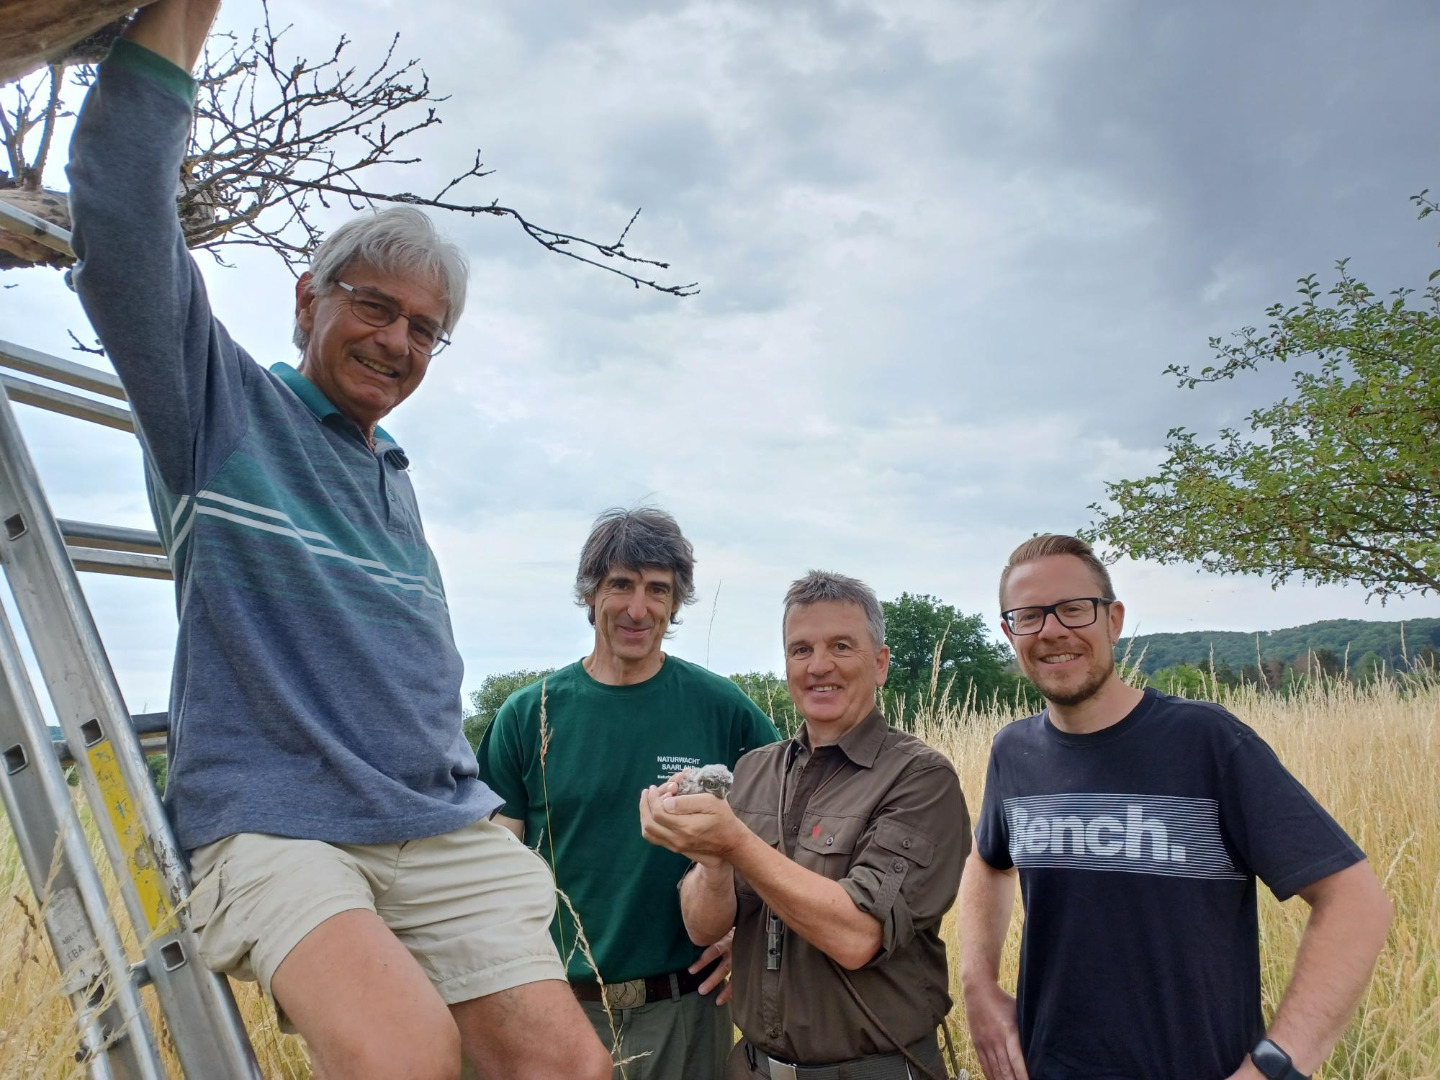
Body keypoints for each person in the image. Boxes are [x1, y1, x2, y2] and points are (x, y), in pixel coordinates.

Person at [66, 3, 612, 1078]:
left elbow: (409, 671)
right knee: (403, 1055)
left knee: (569, 1067)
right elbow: (121, 214)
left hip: (432, 824)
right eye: (375, 306)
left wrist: (476, 798)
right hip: (282, 824)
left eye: (425, 331)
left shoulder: (390, 476)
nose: (398, 342)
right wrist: (184, 19)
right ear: (307, 298)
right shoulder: (217, 406)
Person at [959, 534, 1393, 1080]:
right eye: (1029, 616)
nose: (1052, 631)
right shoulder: (1013, 751)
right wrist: (979, 985)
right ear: (1009, 632)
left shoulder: (1206, 742)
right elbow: (988, 860)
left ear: (1113, 620)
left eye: (1074, 609)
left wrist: (1276, 1067)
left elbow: (1356, 902)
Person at [479, 507, 781, 1079]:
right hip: (559, 1013)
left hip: (685, 1012)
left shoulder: (723, 708)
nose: (638, 609)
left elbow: (791, 834)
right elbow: (489, 870)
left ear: (675, 602)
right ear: (590, 593)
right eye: (620, 584)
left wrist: (752, 936)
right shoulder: (529, 716)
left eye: (658, 590)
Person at [641, 570, 969, 1080]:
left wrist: (733, 841)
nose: (819, 666)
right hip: (752, 1068)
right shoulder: (753, 770)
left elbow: (857, 936)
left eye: (842, 646)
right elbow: (704, 926)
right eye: (800, 650)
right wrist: (709, 858)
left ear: (879, 663)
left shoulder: (920, 778)